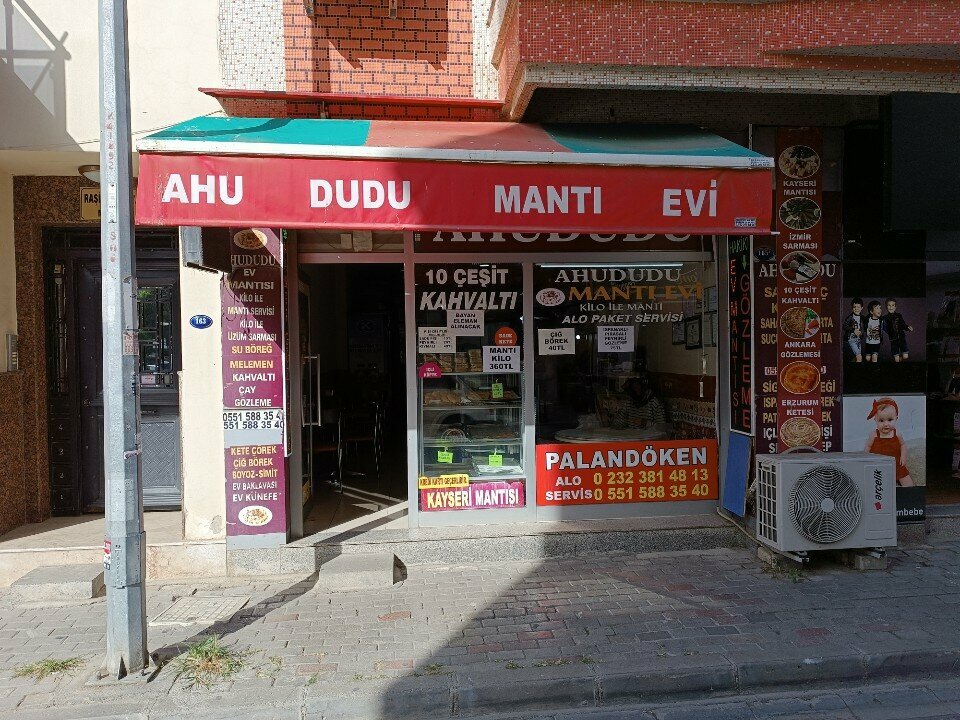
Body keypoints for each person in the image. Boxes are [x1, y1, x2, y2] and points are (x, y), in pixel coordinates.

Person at [863, 397, 913, 487]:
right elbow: (868, 447)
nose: (886, 424)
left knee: (908, 483)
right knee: (876, 483)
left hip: (896, 463)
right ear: (875, 420)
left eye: (890, 420)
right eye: (881, 421)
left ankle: (908, 492)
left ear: (896, 418)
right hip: (879, 464)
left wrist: (903, 456)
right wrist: (865, 459)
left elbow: (903, 445)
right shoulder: (874, 435)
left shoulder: (897, 433)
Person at [883, 298, 913, 362]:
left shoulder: (899, 315)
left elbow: (903, 325)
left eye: (893, 305)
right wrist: (890, 333)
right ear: (886, 306)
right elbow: (885, 328)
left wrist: (908, 327)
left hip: (902, 338)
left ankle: (901, 359)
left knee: (905, 356)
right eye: (889, 305)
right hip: (893, 340)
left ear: (895, 307)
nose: (891, 307)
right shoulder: (885, 318)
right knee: (896, 358)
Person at [842, 297, 865, 363]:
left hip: (858, 340)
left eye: (858, 307)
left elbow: (863, 329)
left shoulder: (863, 318)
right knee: (859, 357)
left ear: (862, 308)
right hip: (851, 339)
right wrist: (853, 330)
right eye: (854, 307)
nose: (856, 309)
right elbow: (844, 326)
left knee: (857, 357)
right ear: (852, 308)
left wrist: (861, 334)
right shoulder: (850, 317)